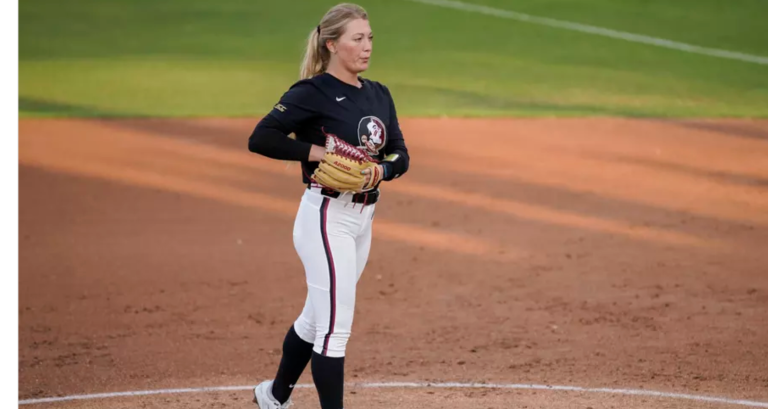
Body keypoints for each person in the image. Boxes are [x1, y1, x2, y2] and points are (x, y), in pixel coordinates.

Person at [247, 3, 410, 409]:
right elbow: (261, 137)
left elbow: (400, 154)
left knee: (317, 317)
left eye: (370, 38)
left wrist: (381, 174)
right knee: (335, 330)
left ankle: (274, 396)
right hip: (326, 218)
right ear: (333, 44)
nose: (367, 47)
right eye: (358, 39)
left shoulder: (379, 94)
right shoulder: (311, 92)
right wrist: (315, 153)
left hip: (362, 219)